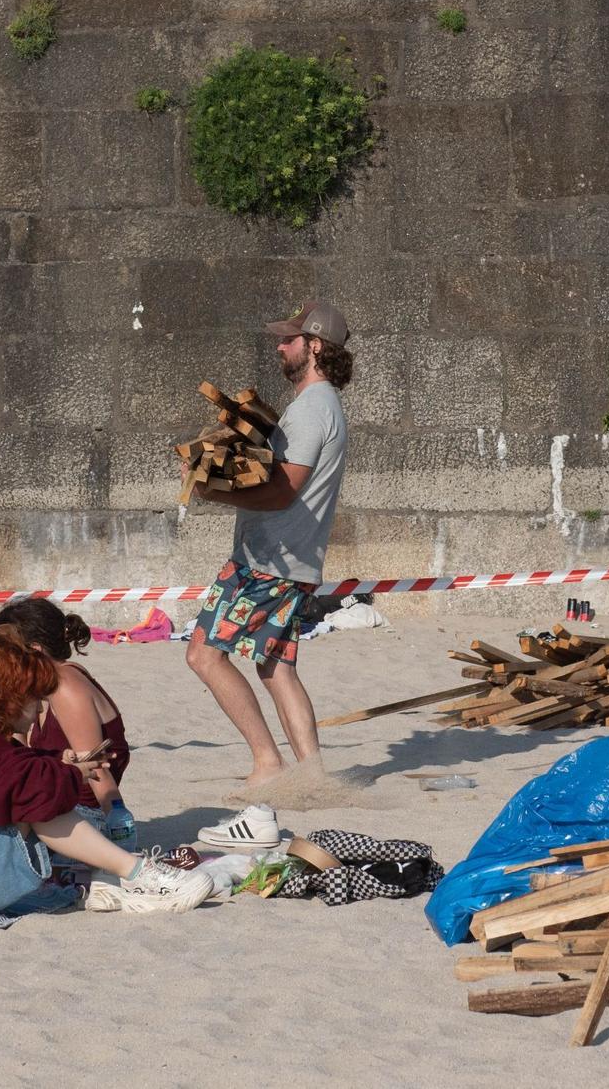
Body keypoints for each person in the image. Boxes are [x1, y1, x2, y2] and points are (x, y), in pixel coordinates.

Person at [0, 617, 210, 920]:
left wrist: (60, 763)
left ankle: (125, 870)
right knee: (39, 800)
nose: (41, 706)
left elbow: (3, 770)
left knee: (35, 791)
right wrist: (75, 774)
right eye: (36, 697)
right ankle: (138, 874)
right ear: (13, 696)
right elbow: (31, 785)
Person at [183, 300, 352, 833]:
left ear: (315, 347)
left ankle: (267, 762)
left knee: (203, 655)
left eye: (289, 340)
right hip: (292, 560)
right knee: (275, 664)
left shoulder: (312, 408)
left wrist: (214, 491)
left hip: (267, 562)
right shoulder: (320, 406)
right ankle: (314, 774)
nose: (280, 346)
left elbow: (283, 491)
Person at [0, 598, 138, 873]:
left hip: (79, 821)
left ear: (35, 650)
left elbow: (98, 769)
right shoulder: (41, 687)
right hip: (62, 811)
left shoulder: (64, 685)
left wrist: (119, 826)